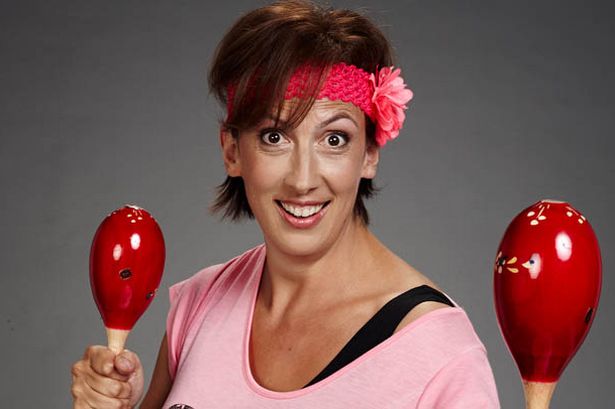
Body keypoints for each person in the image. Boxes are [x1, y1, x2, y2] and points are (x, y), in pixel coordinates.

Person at [71, 1, 500, 407]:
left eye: (335, 139)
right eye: (274, 136)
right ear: (232, 151)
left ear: (369, 153)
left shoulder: (440, 356)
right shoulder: (201, 303)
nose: (302, 179)